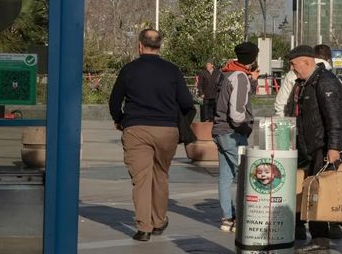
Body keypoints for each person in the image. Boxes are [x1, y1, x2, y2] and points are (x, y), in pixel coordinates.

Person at [108, 28, 195, 242]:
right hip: (166, 129)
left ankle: (143, 227)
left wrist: (120, 120)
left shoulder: (129, 70)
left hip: (136, 129)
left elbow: (114, 100)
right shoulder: (172, 71)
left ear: (140, 45)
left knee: (141, 180)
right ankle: (159, 220)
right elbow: (186, 102)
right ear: (160, 46)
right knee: (161, 175)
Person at [287, 44, 342, 252]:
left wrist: (334, 147)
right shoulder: (305, 83)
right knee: (316, 193)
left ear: (307, 62)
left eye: (294, 64)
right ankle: (321, 238)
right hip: (311, 146)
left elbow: (334, 118)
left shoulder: (324, 82)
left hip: (324, 147)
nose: (292, 68)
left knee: (323, 194)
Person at [212, 42, 259, 233]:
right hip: (232, 132)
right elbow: (237, 111)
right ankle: (242, 217)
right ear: (253, 58)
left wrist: (253, 81)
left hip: (219, 130)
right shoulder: (240, 77)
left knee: (225, 177)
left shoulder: (225, 73)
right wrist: (245, 127)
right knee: (246, 175)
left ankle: (227, 218)